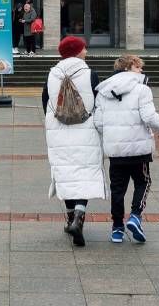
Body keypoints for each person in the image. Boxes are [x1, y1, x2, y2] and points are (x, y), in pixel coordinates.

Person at [93, 54, 159, 245]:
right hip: (139, 149)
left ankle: (117, 228)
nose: (141, 70)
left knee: (117, 188)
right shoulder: (142, 89)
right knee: (144, 182)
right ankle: (135, 215)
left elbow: (98, 122)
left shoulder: (103, 91)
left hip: (116, 149)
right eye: (138, 67)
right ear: (128, 68)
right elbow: (149, 117)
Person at [41, 36, 103, 247]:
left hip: (58, 131)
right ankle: (78, 217)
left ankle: (69, 219)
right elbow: (99, 102)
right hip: (85, 131)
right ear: (76, 51)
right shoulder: (89, 74)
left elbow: (45, 102)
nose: (86, 51)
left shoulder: (52, 74)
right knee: (84, 174)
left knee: (66, 173)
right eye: (83, 48)